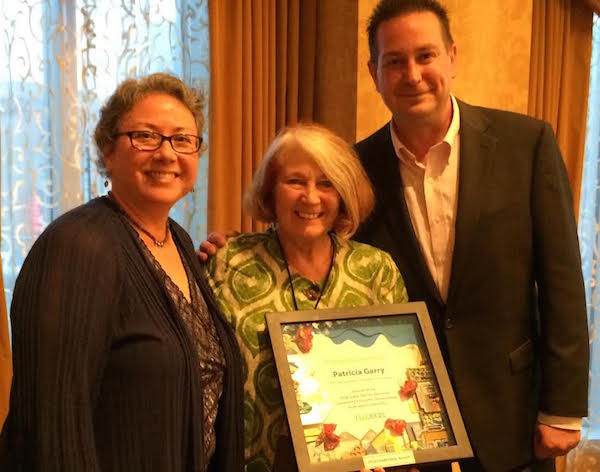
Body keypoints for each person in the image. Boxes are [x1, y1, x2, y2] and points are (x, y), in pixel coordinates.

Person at [353, 0, 589, 471]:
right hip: (406, 420)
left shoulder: (527, 144)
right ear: (374, 71)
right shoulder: (356, 167)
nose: (412, 74)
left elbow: (561, 279)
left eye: (426, 55)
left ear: (453, 57)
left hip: (512, 410)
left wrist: (562, 407)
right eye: (394, 61)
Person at [0, 73, 244, 471]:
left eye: (182, 139)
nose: (167, 154)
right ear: (108, 150)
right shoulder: (77, 246)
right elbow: (52, 428)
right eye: (146, 136)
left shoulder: (178, 241)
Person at [201, 123, 408, 471]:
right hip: (252, 460)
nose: (311, 198)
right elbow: (199, 372)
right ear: (270, 190)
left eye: (326, 183)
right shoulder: (228, 263)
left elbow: (401, 381)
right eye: (295, 181)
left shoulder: (376, 270)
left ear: (343, 193)